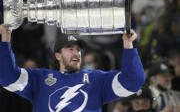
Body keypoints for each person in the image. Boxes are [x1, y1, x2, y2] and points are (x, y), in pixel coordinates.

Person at [0, 25, 145, 112]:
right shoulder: (40, 78)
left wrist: (128, 45)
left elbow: (133, 82)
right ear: (57, 55)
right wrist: (5, 39)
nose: (76, 53)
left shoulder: (97, 79)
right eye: (70, 49)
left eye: (78, 50)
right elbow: (7, 78)